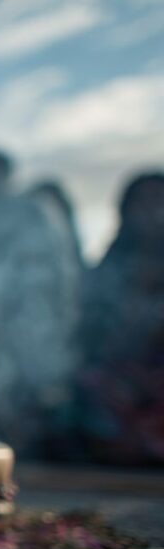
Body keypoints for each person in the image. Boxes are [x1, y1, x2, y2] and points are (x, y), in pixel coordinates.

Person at [0, 149, 76, 454]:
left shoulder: (30, 213)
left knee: (29, 423)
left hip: (29, 341)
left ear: (4, 176)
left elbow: (41, 280)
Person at [77, 172, 164, 462]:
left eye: (158, 201)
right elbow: (90, 331)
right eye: (143, 203)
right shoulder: (111, 267)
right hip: (118, 379)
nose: (151, 212)